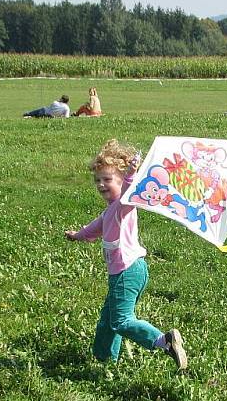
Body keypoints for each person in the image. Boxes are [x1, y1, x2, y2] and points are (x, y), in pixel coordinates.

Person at [64, 139, 187, 369]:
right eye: (97, 180)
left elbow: (130, 191)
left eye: (108, 180)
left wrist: (132, 173)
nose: (101, 184)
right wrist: (77, 235)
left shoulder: (123, 203)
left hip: (126, 271)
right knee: (109, 319)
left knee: (121, 320)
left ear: (121, 181)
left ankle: (164, 341)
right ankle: (104, 358)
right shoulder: (111, 210)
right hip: (128, 270)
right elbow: (95, 228)